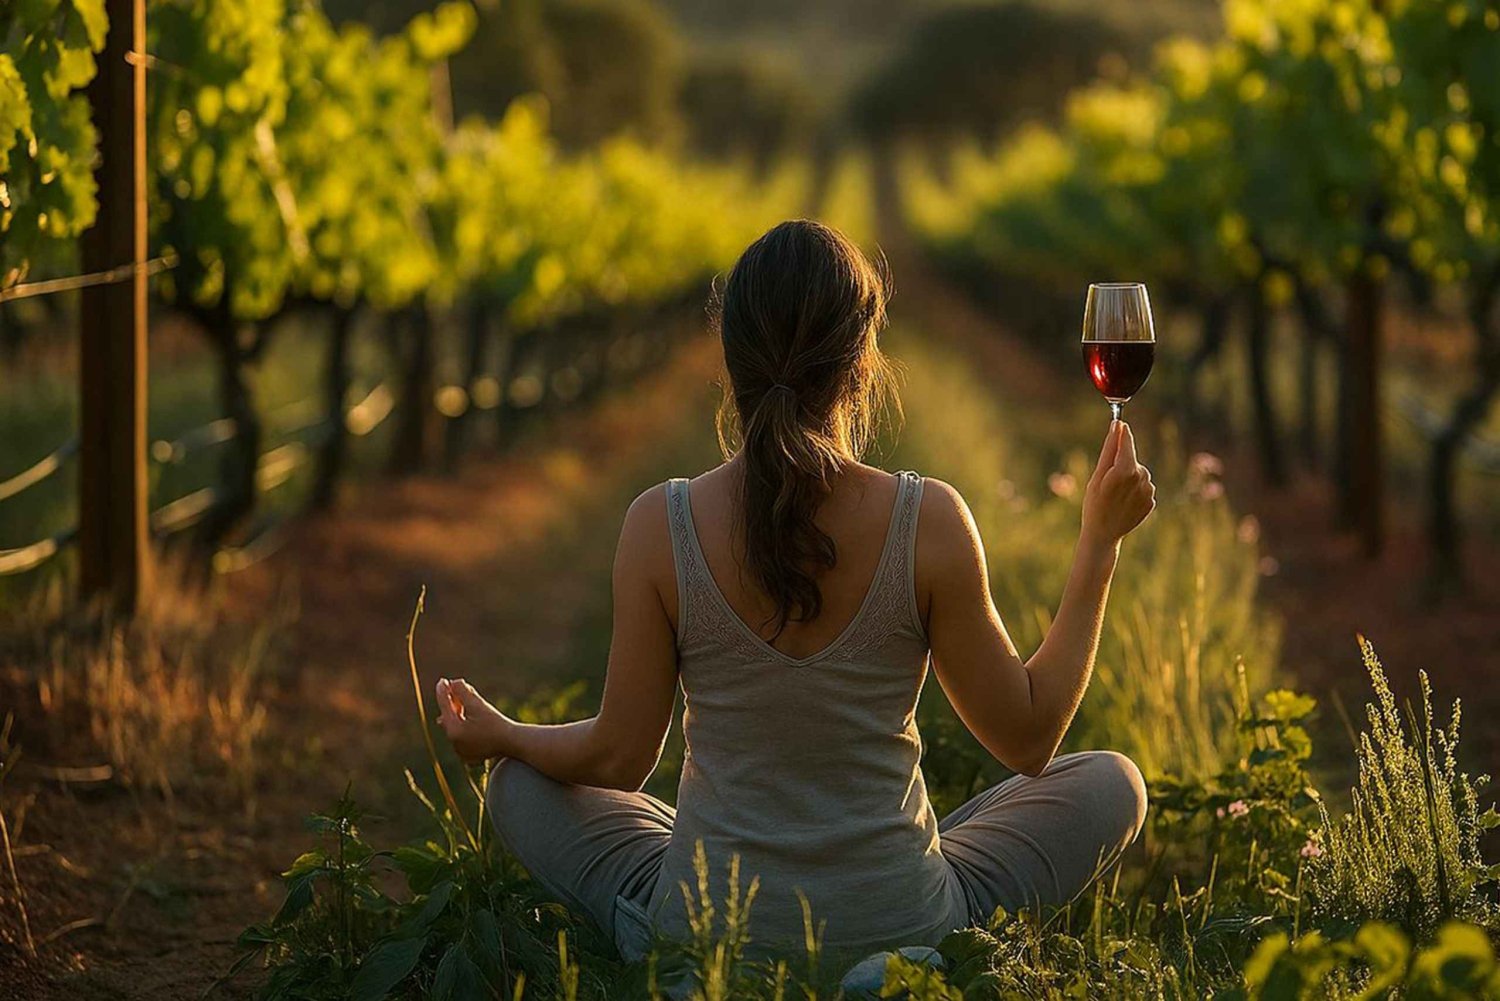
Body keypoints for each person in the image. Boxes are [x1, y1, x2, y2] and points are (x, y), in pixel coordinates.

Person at [435, 220, 1154, 968]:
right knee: (1112, 781)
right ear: (862, 363)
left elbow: (619, 757)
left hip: (711, 927)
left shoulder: (661, 523)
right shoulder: (928, 520)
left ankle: (682, 959)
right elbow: (1031, 736)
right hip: (903, 918)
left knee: (518, 783)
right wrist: (1099, 542)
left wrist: (508, 735)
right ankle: (903, 966)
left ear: (729, 357)